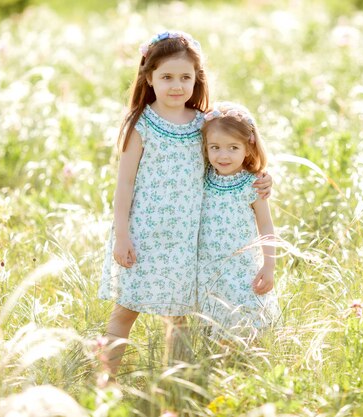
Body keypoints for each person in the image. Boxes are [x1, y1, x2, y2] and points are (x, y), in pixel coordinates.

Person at [97, 31, 272, 377]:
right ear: (149, 78)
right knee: (125, 310)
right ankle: (105, 382)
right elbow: (125, 183)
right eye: (166, 77)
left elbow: (235, 149)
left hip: (185, 240)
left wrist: (265, 176)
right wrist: (122, 234)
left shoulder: (202, 123)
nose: (176, 86)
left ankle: (173, 385)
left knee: (179, 317)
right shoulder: (141, 123)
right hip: (143, 235)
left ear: (197, 79)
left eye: (185, 78)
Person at [197, 101, 279, 341]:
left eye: (233, 147)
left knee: (244, 319)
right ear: (206, 148)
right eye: (215, 147)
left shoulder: (251, 184)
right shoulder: (202, 178)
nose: (223, 155)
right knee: (212, 321)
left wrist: (269, 265)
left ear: (248, 148)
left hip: (242, 267)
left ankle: (245, 358)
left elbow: (266, 226)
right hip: (208, 267)